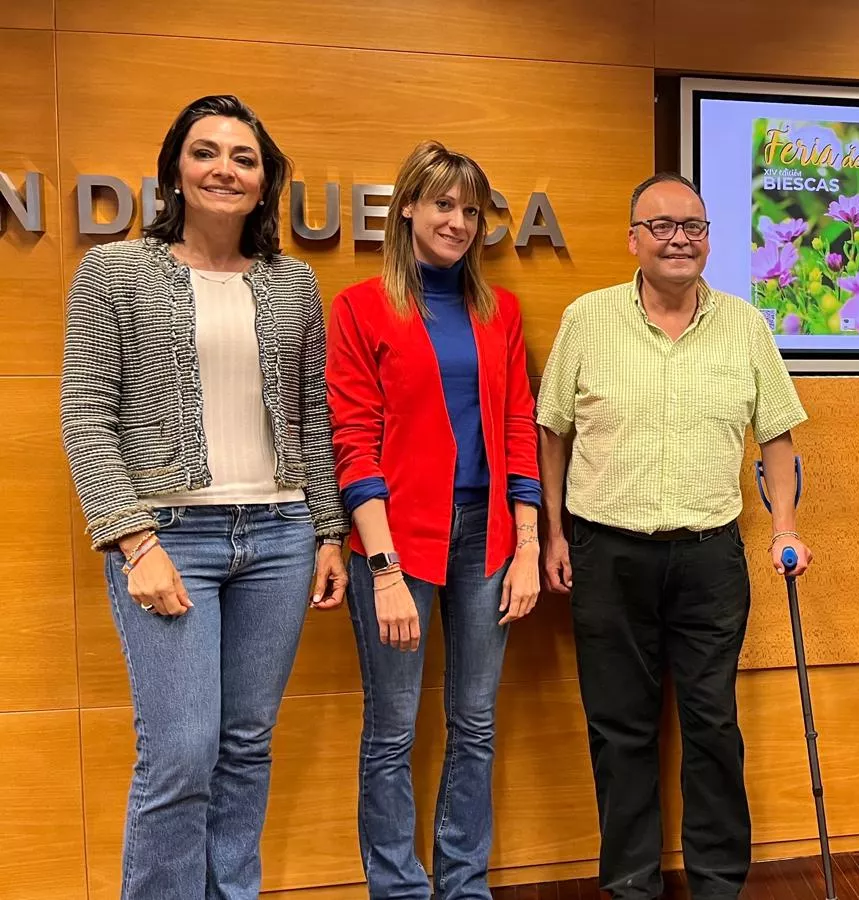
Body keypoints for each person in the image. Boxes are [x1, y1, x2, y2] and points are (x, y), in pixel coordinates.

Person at [59, 94, 350, 900]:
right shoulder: (114, 271)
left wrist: (329, 532)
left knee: (247, 744)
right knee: (181, 752)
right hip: (169, 534)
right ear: (176, 171)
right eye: (206, 152)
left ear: (264, 183)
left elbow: (313, 412)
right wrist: (133, 540)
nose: (225, 167)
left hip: (281, 536)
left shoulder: (294, 284)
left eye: (244, 158)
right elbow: (85, 409)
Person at [536, 172, 812, 900]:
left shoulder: (745, 325)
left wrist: (785, 526)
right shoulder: (586, 319)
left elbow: (778, 436)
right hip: (607, 554)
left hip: (709, 558)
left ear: (709, 239)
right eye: (661, 226)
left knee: (713, 726)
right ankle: (632, 886)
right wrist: (554, 533)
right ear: (634, 239)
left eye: (693, 225)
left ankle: (720, 882)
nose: (679, 238)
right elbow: (552, 432)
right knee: (620, 731)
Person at [324, 140, 543, 899]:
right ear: (408, 207)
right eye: (443, 204)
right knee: (391, 733)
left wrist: (527, 543)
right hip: (396, 538)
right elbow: (352, 442)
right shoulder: (359, 307)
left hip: (488, 533)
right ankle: (398, 889)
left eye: (471, 209)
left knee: (475, 726)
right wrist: (382, 570)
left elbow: (519, 423)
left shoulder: (498, 310)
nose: (458, 221)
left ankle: (464, 885)